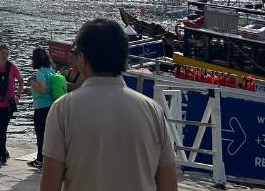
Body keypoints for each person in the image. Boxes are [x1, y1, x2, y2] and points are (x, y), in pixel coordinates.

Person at [40, 19, 178, 191]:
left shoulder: (63, 109)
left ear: (82, 58)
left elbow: (49, 186)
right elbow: (169, 185)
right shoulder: (153, 111)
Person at [27, 47, 57, 170]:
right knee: (48, 135)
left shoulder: (40, 72)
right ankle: (47, 159)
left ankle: (40, 160)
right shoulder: (51, 70)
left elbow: (42, 88)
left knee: (40, 135)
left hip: (41, 108)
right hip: (51, 106)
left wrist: (31, 82)